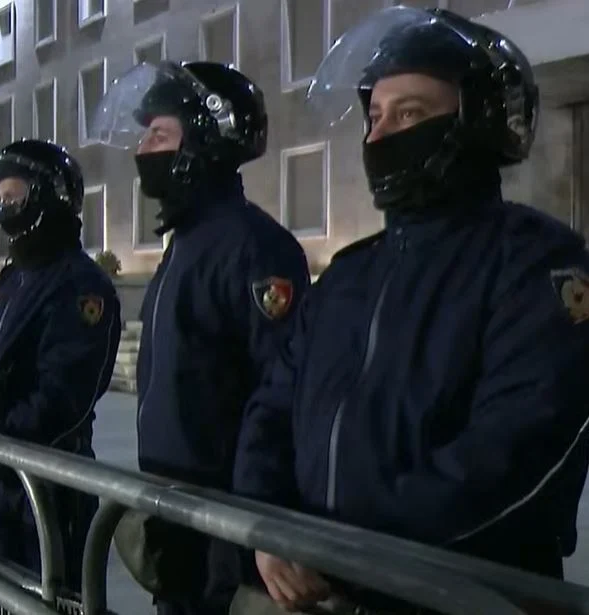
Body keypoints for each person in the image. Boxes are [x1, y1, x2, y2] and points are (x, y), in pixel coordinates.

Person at [231, 7, 589, 613]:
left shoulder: (538, 266)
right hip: (316, 589)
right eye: (374, 116)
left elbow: (513, 452)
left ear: (477, 119)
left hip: (462, 597)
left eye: (410, 114)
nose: (378, 137)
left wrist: (347, 552)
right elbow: (271, 408)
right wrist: (267, 527)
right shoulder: (348, 274)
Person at [90, 60, 310, 614]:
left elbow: (280, 389)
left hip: (226, 527)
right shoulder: (186, 244)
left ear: (204, 142)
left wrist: (261, 521)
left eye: (159, 134)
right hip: (180, 515)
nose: (144, 148)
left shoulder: (252, 247)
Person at [0, 138, 121, 592]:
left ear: (48, 197)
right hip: (0, 483)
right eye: (0, 198)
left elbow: (62, 395)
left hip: (48, 489)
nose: (3, 208)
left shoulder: (81, 285)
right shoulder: (12, 280)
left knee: (48, 596)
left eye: (13, 197)